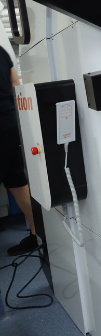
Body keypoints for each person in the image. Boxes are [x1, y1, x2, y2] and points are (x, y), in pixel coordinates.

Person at [0, 46, 39, 256]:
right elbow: (16, 85)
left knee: (16, 180)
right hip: (10, 125)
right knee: (16, 181)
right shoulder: (1, 52)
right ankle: (37, 234)